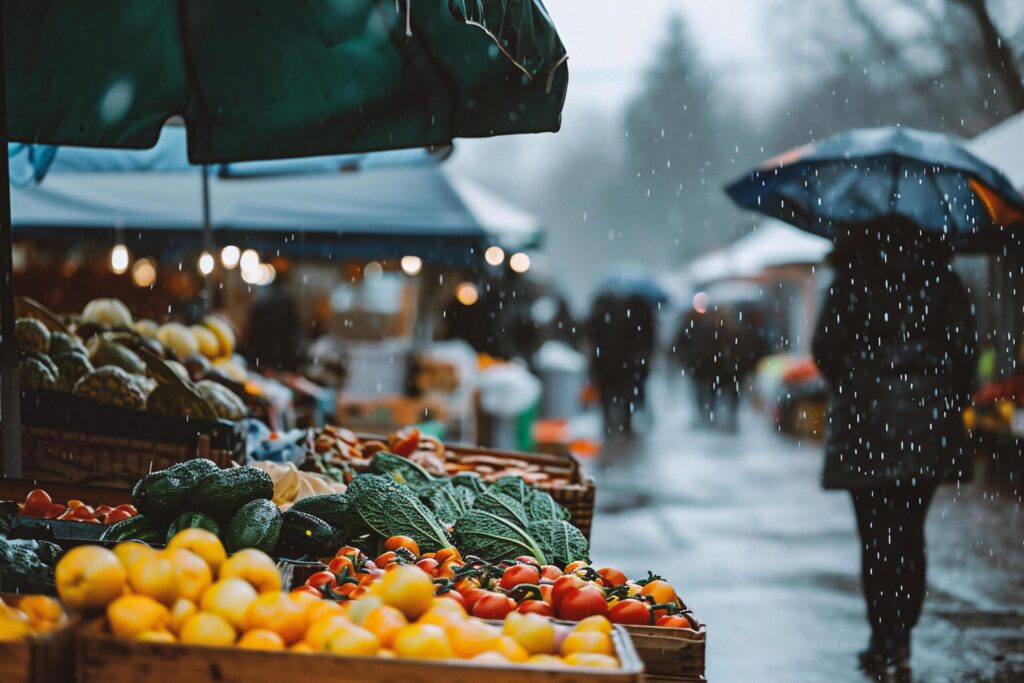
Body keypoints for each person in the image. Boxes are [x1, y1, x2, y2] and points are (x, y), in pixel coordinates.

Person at [812, 220, 976, 680]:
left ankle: (880, 638)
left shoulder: (849, 280)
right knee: (909, 534)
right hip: (925, 422)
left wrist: (857, 381)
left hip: (865, 423)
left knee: (875, 536)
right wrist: (943, 397)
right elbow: (964, 353)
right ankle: (901, 638)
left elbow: (825, 349)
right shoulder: (943, 279)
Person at [586, 291, 655, 435]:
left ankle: (609, 423)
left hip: (605, 362)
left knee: (607, 395)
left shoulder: (601, 311)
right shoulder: (635, 312)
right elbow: (643, 338)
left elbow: (590, 333)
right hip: (625, 364)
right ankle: (625, 423)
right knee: (625, 394)